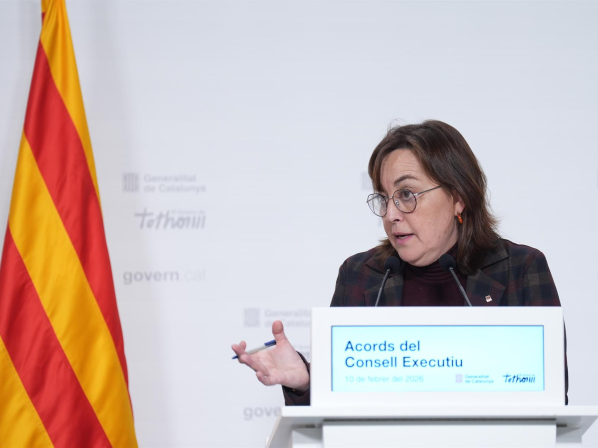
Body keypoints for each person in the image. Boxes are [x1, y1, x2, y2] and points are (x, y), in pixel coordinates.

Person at [231, 120, 566, 406]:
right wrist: (306, 382)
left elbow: (550, 401)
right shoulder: (361, 276)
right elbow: (336, 408)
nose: (391, 214)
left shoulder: (520, 270)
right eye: (384, 198)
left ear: (458, 197)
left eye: (407, 194)